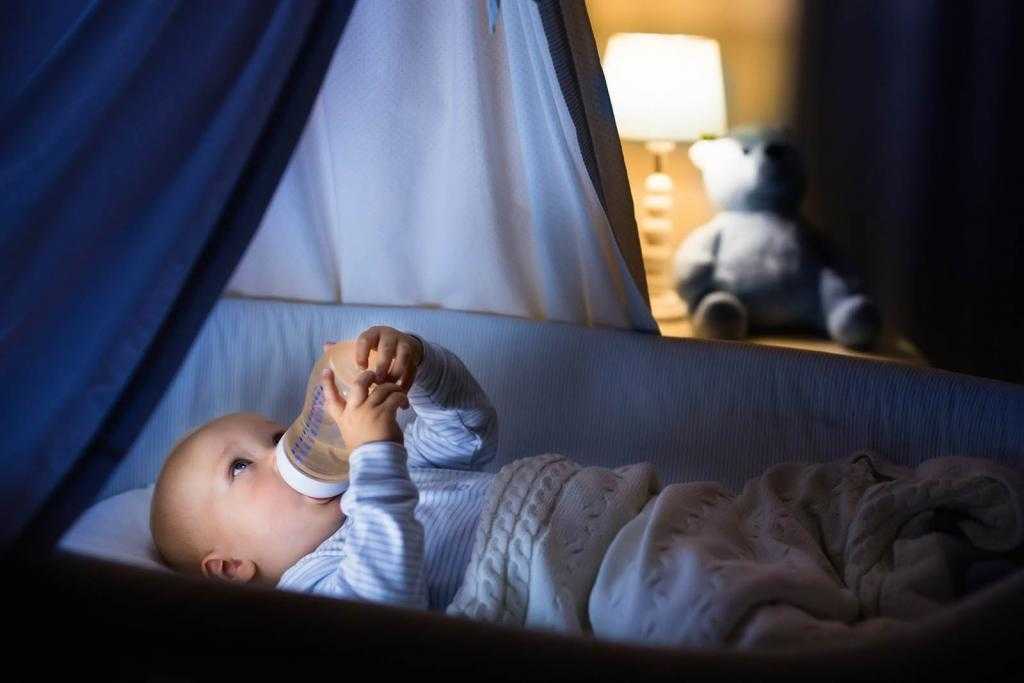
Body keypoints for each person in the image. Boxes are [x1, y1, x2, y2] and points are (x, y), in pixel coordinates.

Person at [150, 325, 499, 611]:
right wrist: (375, 453)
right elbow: (389, 606)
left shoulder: (394, 471)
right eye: (239, 466)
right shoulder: (312, 588)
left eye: (277, 437)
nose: (282, 452)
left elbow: (468, 434)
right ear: (231, 567)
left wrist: (418, 366)